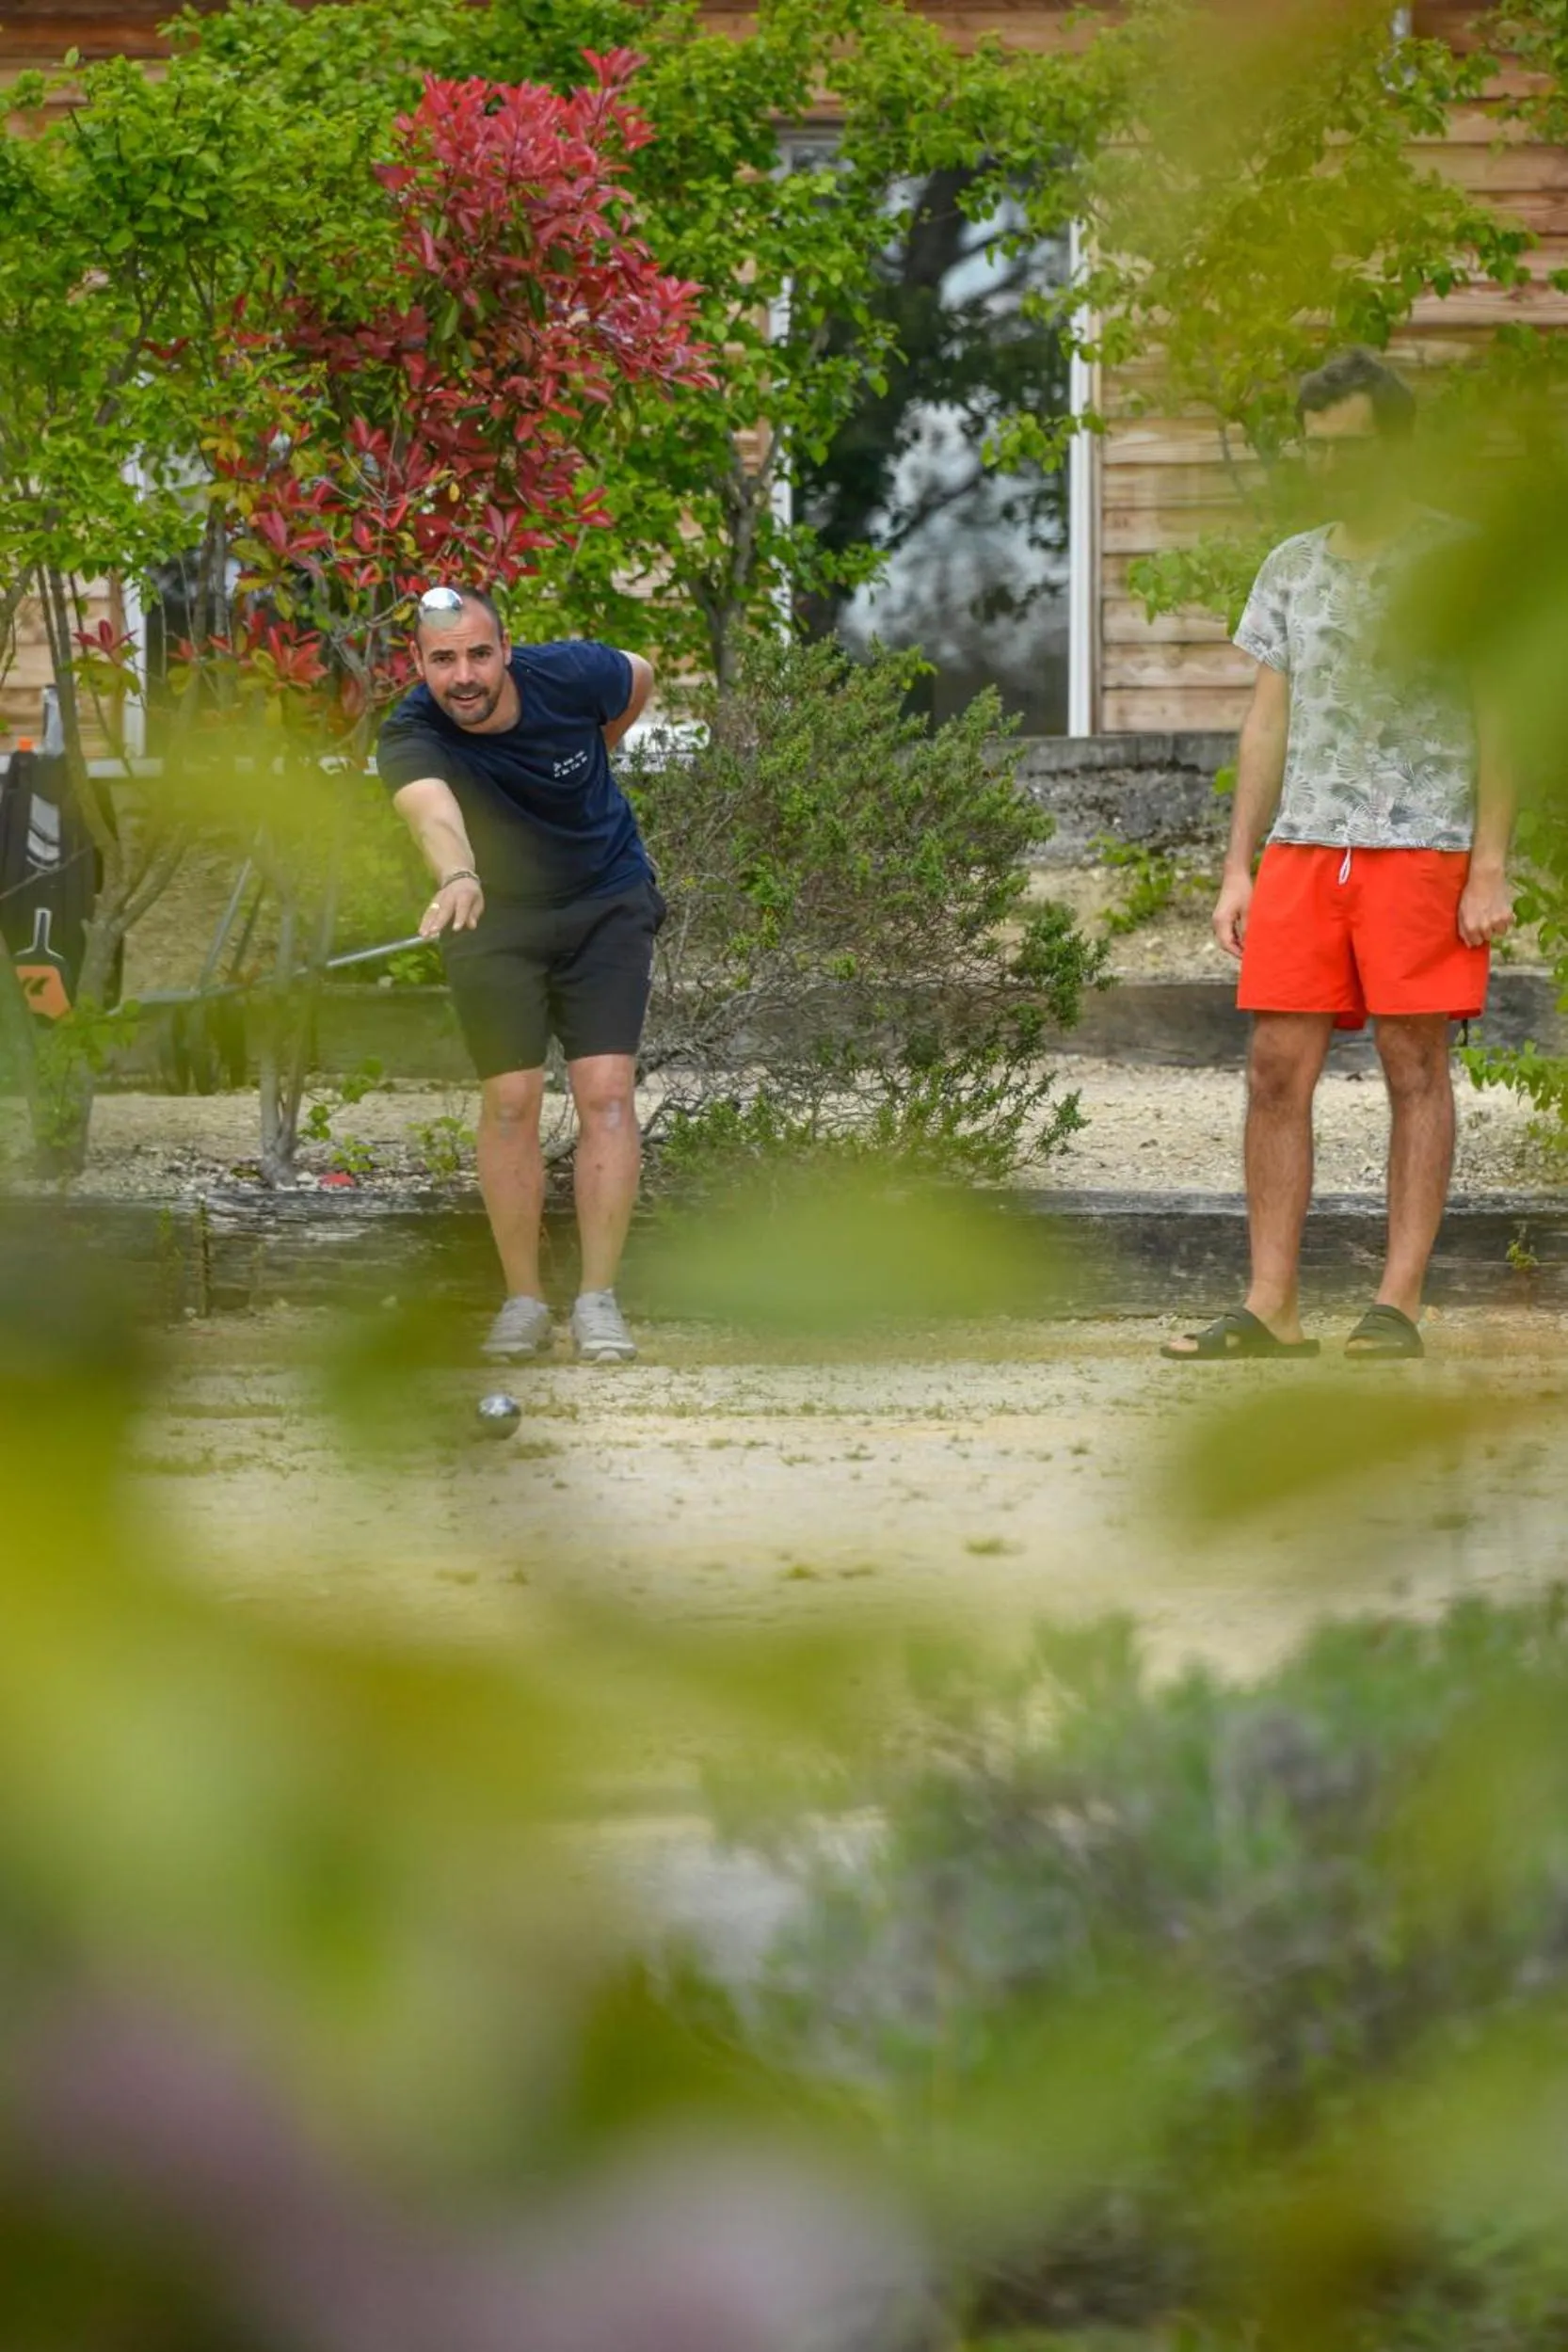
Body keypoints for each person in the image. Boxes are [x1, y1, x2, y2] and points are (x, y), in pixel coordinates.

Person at [1163, 348, 1514, 1364]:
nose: (1332, 467)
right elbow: (1264, 729)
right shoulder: (1291, 565)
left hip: (1422, 845)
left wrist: (1489, 862)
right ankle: (1270, 1305)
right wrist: (1239, 866)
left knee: (1415, 1066)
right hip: (1306, 853)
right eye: (1318, 450)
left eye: (1351, 448)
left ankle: (1395, 1305)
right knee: (1274, 1068)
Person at [376, 585, 663, 1365]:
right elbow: (431, 812)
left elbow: (639, 673)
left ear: (506, 649)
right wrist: (460, 874)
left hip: (606, 899)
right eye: (443, 660)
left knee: (606, 1091)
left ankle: (598, 1301)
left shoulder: (570, 674)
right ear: (420, 664)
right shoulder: (409, 732)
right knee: (511, 1100)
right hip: (491, 916)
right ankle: (524, 1301)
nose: (463, 675)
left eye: (477, 653)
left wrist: (601, 748)